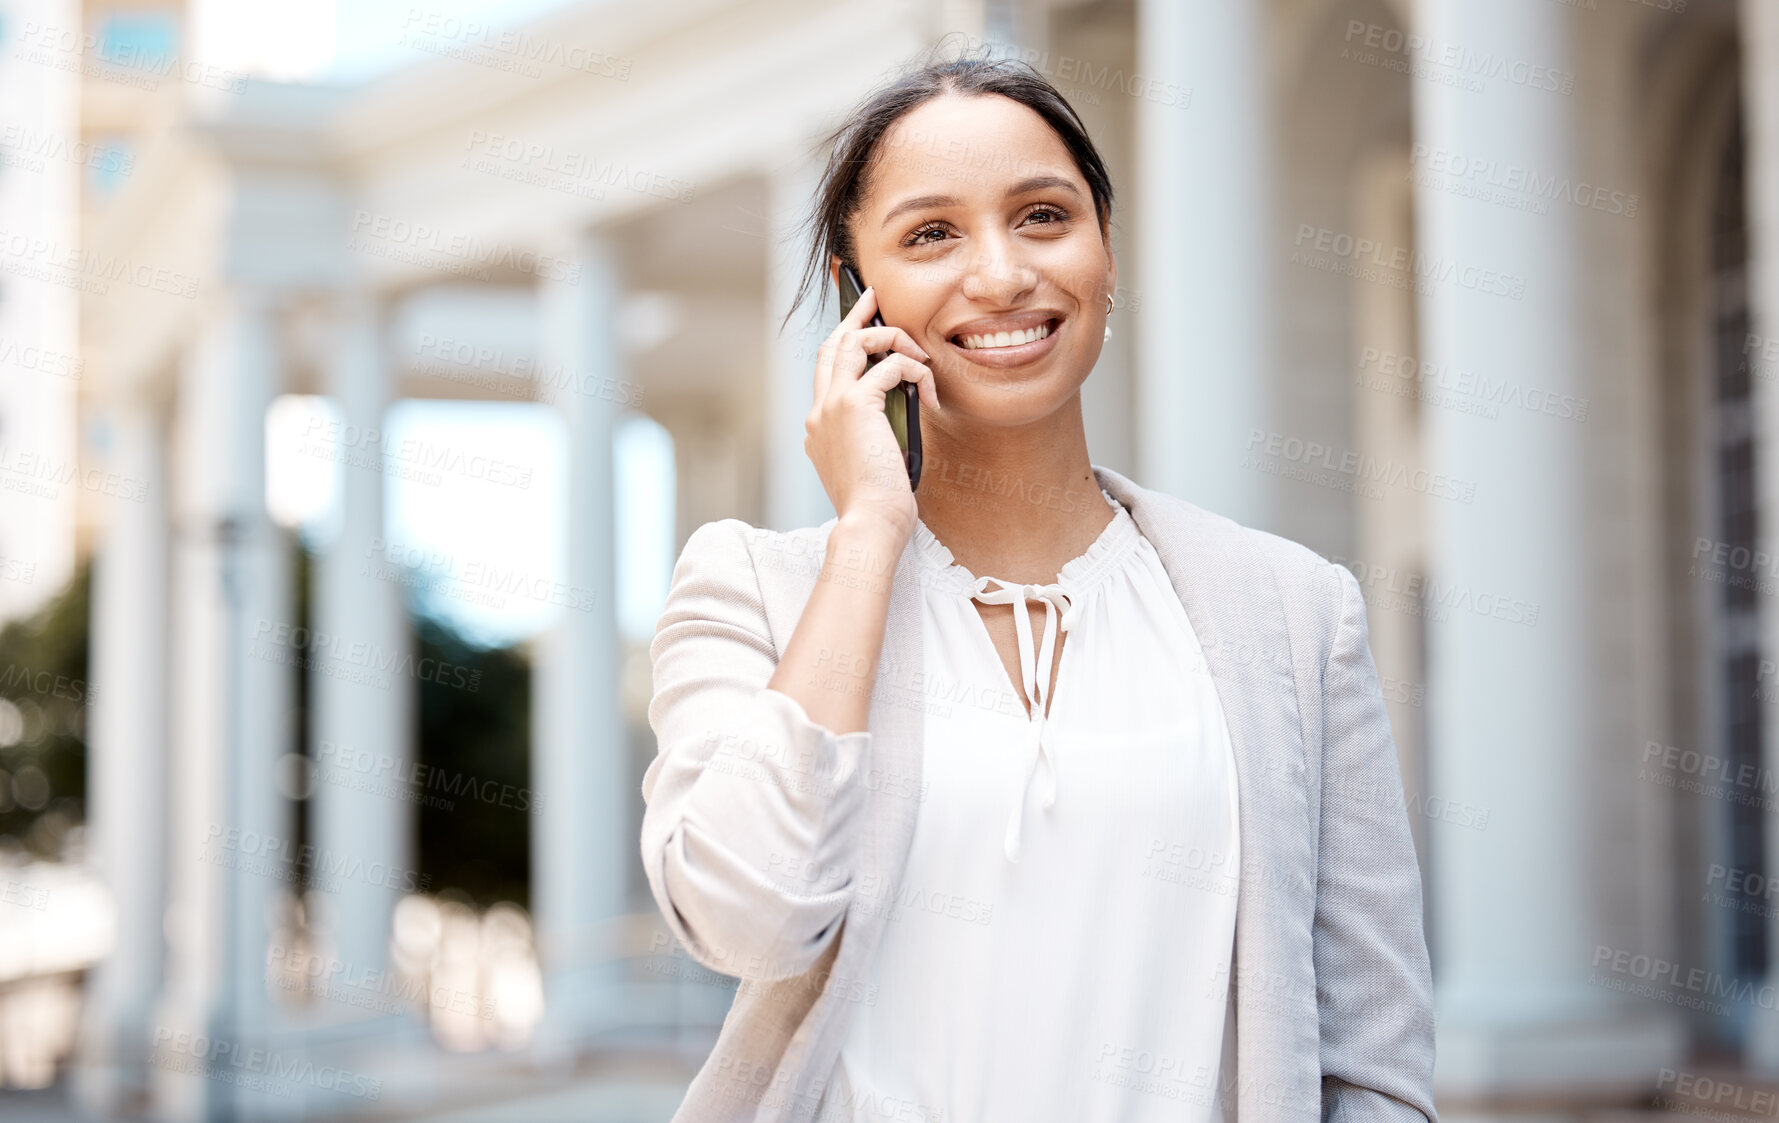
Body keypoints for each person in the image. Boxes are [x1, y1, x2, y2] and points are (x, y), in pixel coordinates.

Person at [640, 53, 1436, 1123]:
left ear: (1106, 248)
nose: (1004, 274)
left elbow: (1376, 1059)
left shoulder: (1295, 610)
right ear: (853, 288)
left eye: (1044, 215)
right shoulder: (756, 590)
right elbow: (746, 918)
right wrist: (870, 531)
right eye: (932, 234)